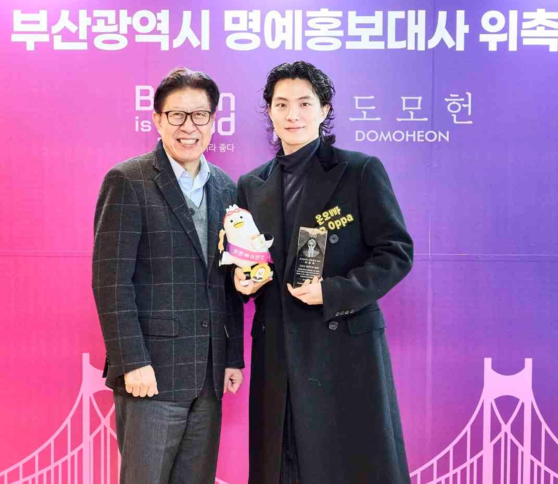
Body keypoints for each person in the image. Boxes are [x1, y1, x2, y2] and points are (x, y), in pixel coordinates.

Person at [234, 61, 414, 484]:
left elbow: (396, 252)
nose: (292, 114)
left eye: (304, 103)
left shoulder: (359, 170)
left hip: (343, 346)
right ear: (269, 111)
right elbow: (249, 261)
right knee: (283, 466)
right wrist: (244, 282)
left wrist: (333, 291)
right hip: (277, 350)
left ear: (324, 109)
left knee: (349, 466)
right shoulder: (251, 184)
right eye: (281, 104)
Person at [92, 67, 244, 484]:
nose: (188, 127)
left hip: (208, 377)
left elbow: (226, 283)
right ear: (157, 120)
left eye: (200, 115)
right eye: (177, 115)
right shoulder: (128, 180)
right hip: (150, 376)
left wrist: (232, 357)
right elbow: (110, 282)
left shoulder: (227, 188)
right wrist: (132, 362)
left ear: (213, 122)